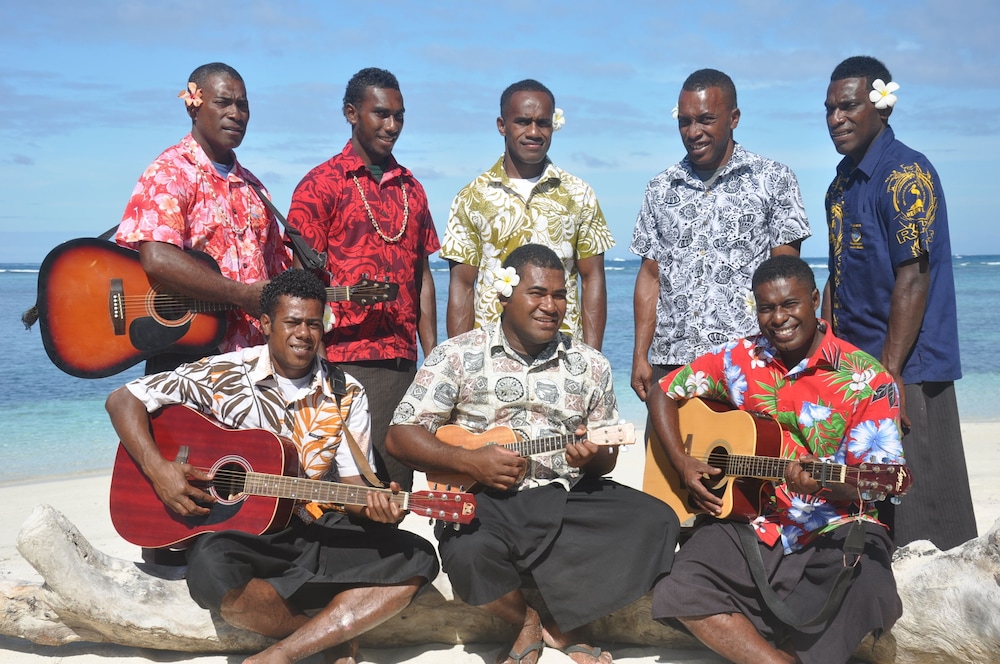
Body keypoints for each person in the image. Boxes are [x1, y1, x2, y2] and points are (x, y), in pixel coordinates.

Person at [105, 269, 439, 664]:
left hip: (309, 526)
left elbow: (353, 484)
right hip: (239, 535)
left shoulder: (346, 391)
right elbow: (123, 399)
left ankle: (282, 653)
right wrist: (159, 470)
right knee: (211, 569)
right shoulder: (223, 372)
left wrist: (375, 506)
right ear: (266, 324)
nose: (304, 334)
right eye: (292, 322)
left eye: (313, 323)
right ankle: (324, 638)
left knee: (418, 557)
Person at [386, 244, 678, 664]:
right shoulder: (457, 355)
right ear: (504, 296)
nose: (550, 306)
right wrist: (470, 462)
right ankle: (525, 620)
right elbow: (400, 436)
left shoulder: (591, 364)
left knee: (657, 521)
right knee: (466, 554)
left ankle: (562, 622)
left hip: (563, 497)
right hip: (486, 500)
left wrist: (589, 457)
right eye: (537, 293)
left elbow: (606, 460)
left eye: (559, 295)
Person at [646, 255, 904, 664]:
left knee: (869, 585)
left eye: (790, 304)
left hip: (833, 523)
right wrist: (681, 461)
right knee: (683, 582)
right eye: (766, 308)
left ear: (815, 300)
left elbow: (878, 482)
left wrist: (825, 483)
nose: (778, 318)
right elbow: (663, 391)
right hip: (754, 520)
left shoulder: (868, 379)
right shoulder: (739, 358)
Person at [823, 55, 975, 550]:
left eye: (848, 106)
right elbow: (838, 274)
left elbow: (913, 278)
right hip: (860, 369)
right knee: (871, 500)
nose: (836, 119)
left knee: (928, 511)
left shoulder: (907, 175)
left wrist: (889, 376)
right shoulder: (840, 185)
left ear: (882, 107)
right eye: (829, 109)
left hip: (910, 370)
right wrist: (826, 352)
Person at [288, 67, 439, 492]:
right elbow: (301, 284)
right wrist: (316, 369)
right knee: (342, 490)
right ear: (351, 113)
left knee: (394, 492)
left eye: (399, 116)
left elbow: (422, 278)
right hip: (341, 360)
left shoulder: (413, 189)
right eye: (381, 114)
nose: (392, 125)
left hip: (403, 365)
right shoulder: (319, 185)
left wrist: (434, 361)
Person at [629, 68, 811, 404]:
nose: (693, 132)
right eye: (684, 122)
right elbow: (650, 276)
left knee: (745, 442)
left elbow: (786, 278)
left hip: (748, 362)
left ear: (733, 118)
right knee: (666, 442)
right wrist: (640, 354)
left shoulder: (774, 180)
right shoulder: (659, 188)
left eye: (706, 120)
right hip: (672, 363)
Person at [117, 62, 291, 373]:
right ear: (193, 107)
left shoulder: (255, 189)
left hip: (253, 361)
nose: (236, 114)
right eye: (223, 102)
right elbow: (157, 257)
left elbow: (277, 274)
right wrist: (241, 295)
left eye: (243, 105)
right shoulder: (170, 171)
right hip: (188, 356)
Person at [440, 79, 614, 349]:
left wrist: (591, 356)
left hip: (563, 351)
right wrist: (459, 358)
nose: (534, 132)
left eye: (543, 123)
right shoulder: (472, 197)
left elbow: (593, 279)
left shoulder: (579, 194)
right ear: (502, 125)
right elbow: (462, 285)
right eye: (523, 122)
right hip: (490, 351)